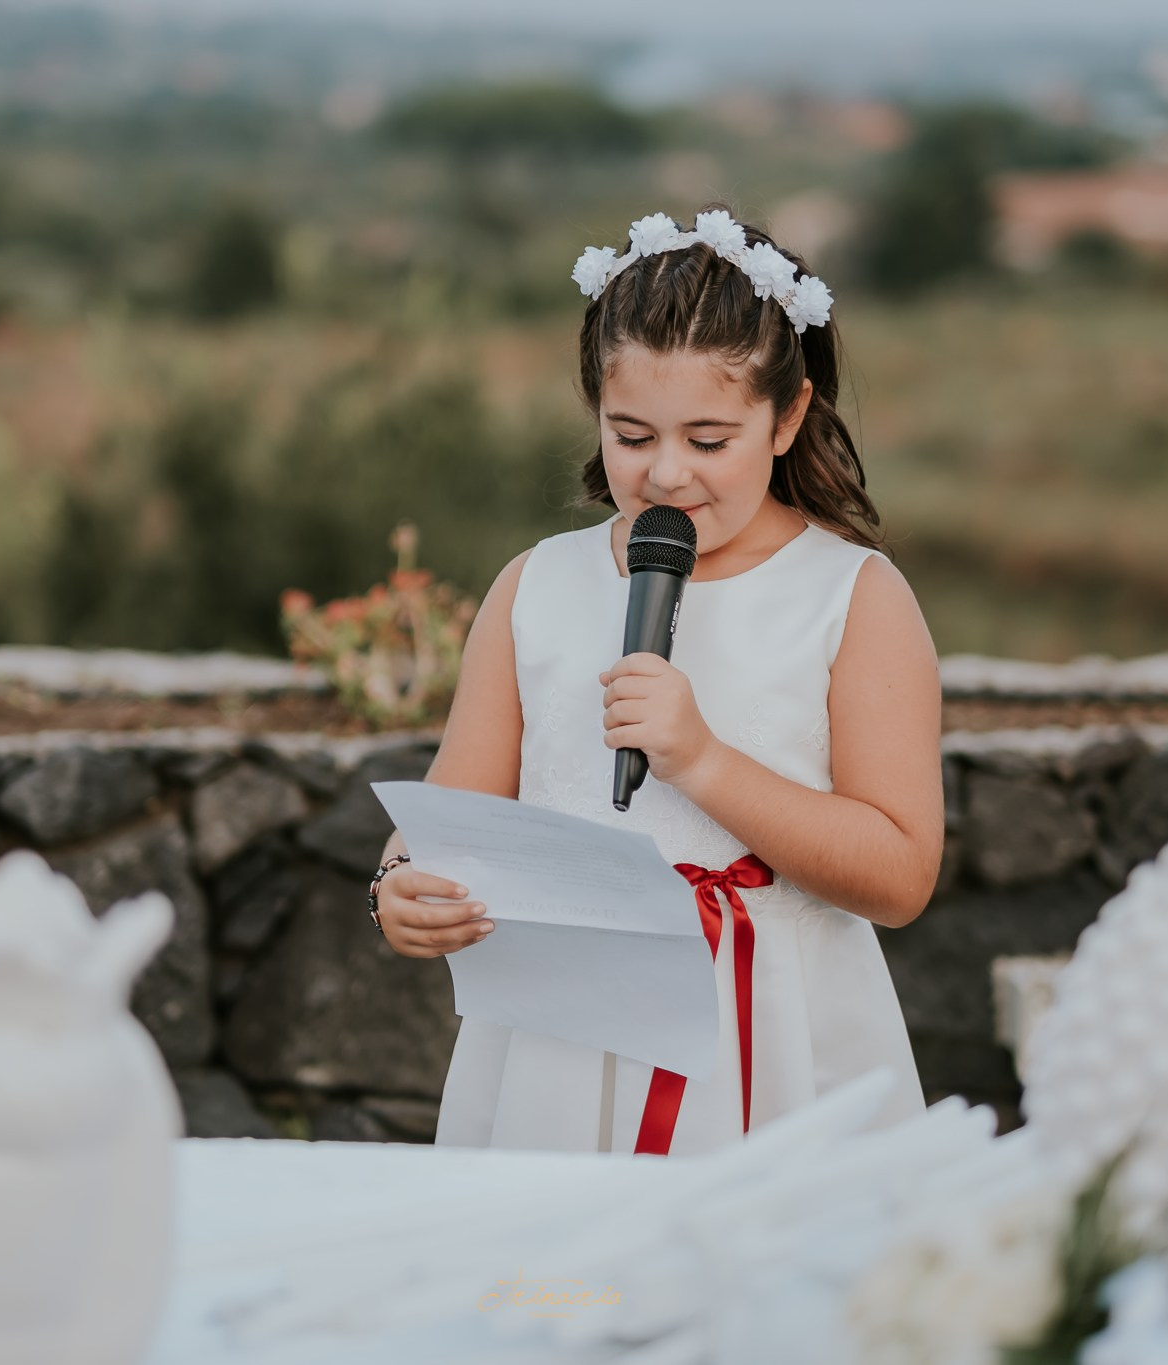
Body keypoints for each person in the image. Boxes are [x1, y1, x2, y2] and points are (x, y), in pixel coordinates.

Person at [367, 207, 941, 1155]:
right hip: (561, 1033)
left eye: (710, 440)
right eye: (632, 434)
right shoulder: (536, 585)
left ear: (788, 417)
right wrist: (399, 882)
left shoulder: (852, 598)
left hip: (772, 1035)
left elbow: (899, 874)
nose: (666, 473)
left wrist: (703, 760)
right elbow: (454, 805)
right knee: (558, 1288)